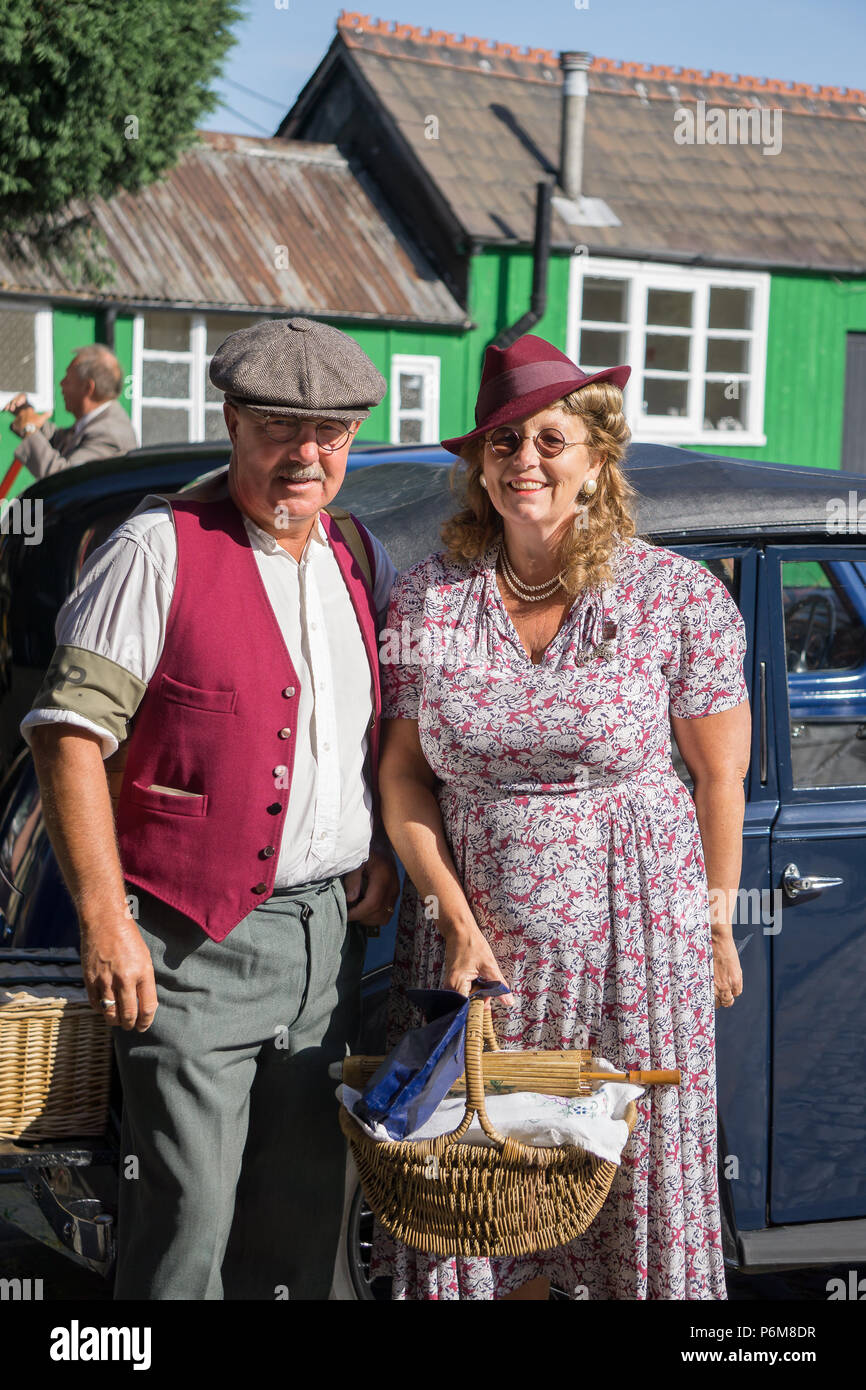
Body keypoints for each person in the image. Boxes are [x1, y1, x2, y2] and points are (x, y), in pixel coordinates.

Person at [22, 316, 400, 1300]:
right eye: (280, 426)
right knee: (186, 1220)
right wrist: (107, 920)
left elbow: (354, 739)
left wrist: (375, 853)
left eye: (331, 432)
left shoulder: (352, 554)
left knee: (302, 1222)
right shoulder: (157, 550)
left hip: (327, 945)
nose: (307, 453)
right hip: (190, 948)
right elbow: (68, 735)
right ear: (232, 421)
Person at [372, 333, 751, 1301]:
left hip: (639, 949)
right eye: (501, 443)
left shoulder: (674, 597)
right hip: (481, 954)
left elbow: (718, 776)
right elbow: (405, 779)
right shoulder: (430, 599)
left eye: (548, 439)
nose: (523, 460)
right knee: (480, 1186)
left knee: (629, 1189)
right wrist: (451, 914)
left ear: (595, 457)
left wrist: (713, 918)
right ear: (478, 467)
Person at [3, 344, 137, 478]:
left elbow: (65, 479)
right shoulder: (100, 420)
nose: (61, 384)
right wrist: (28, 415)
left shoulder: (109, 433)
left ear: (87, 387)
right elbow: (60, 440)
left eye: (67, 379)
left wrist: (29, 429)